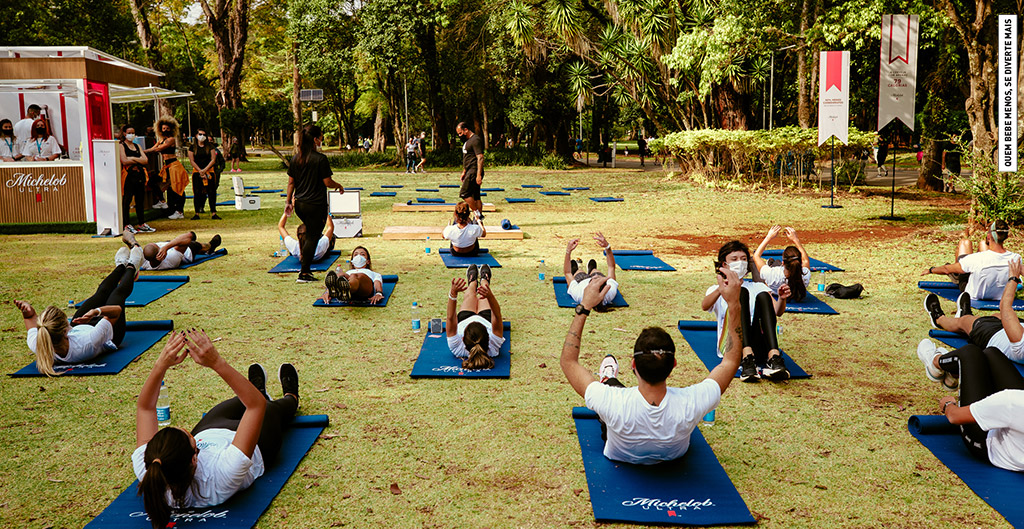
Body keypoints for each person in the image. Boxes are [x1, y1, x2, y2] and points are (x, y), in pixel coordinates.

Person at [559, 266, 745, 464]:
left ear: (633, 365)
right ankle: (609, 379)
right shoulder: (692, 402)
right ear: (674, 364)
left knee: (610, 388)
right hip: (673, 456)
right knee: (610, 397)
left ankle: (608, 378)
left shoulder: (611, 401)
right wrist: (734, 305)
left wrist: (584, 307)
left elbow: (568, 362)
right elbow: (731, 361)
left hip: (620, 450)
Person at [133, 328, 299, 529]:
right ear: (195, 458)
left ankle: (258, 390)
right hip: (254, 445)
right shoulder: (220, 477)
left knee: (243, 398)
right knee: (272, 408)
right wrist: (216, 362)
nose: (185, 428)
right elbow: (256, 407)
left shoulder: (150, 467)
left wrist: (161, 365)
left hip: (212, 429)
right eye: (189, 437)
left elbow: (145, 407)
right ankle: (291, 396)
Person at [13, 245, 144, 376]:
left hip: (81, 329)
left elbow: (29, 318)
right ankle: (132, 267)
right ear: (65, 330)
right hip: (110, 336)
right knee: (117, 294)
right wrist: (96, 311)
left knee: (101, 293)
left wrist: (27, 311)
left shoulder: (39, 344)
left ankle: (120, 266)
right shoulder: (88, 343)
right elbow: (116, 311)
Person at [918, 341, 1024, 471]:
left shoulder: (1011, 402)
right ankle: (953, 373)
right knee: (992, 353)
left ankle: (935, 363)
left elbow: (954, 416)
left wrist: (948, 404)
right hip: (1014, 424)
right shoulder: (1013, 402)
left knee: (969, 353)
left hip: (987, 444)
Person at [921, 259, 1024, 389]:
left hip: (993, 336)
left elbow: (1005, 307)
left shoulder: (1021, 342)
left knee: (966, 322)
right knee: (995, 316)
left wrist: (1013, 278)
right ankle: (952, 374)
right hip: (1008, 332)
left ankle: (939, 319)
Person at [702, 240, 790, 382]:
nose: (740, 263)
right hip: (732, 345)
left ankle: (773, 357)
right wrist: (722, 288)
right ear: (724, 265)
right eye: (734, 259)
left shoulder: (757, 286)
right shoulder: (716, 289)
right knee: (741, 292)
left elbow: (777, 312)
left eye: (743, 259)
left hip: (758, 346)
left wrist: (781, 298)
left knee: (762, 295)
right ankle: (746, 357)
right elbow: (705, 306)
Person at [284, 124, 345, 283]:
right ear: (315, 139)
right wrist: (338, 185)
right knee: (312, 237)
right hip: (315, 204)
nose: (322, 140)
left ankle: (305, 269)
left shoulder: (296, 158)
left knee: (311, 233)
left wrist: (288, 201)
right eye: (321, 137)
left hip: (300, 204)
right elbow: (327, 181)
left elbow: (291, 183)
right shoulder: (320, 159)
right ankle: (304, 273)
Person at [922, 221, 1019, 303]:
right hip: (1000, 296)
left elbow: (947, 269)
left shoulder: (977, 258)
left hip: (974, 293)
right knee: (982, 244)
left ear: (989, 236)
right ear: (1006, 236)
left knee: (965, 242)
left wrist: (931, 270)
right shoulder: (1016, 258)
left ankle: (957, 275)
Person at [445, 264, 504, 370]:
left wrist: (453, 294)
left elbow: (451, 318)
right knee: (483, 295)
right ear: (488, 336)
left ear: (462, 339)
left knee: (470, 295)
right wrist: (489, 296)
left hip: (465, 317)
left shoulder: (457, 349)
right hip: (486, 318)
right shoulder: (493, 347)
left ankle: (472, 282)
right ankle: (484, 280)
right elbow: (496, 315)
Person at [145, 117, 189, 220]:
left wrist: (144, 152)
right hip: (167, 166)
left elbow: (159, 149)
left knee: (177, 188)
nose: (165, 130)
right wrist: (142, 151)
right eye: (163, 128)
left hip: (174, 165)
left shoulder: (171, 140)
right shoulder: (161, 140)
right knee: (153, 181)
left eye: (167, 128)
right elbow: (153, 148)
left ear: (171, 129)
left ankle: (179, 211)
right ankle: (162, 201)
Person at [752, 225, 810, 302]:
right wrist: (796, 240)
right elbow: (805, 260)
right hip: (787, 288)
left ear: (783, 263)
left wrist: (768, 237)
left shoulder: (773, 274)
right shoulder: (805, 274)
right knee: (776, 264)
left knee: (752, 262)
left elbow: (756, 256)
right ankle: (772, 263)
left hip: (772, 287)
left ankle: (771, 263)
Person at [563, 233, 620, 310]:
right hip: (594, 284)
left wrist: (568, 251)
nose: (595, 277)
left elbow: (567, 273)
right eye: (599, 278)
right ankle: (592, 269)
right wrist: (607, 247)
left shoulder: (579, 294)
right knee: (596, 271)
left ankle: (577, 269)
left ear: (589, 286)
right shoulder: (610, 291)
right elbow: (611, 267)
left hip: (581, 281)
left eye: (594, 279)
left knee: (579, 272)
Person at [121, 230, 222, 271]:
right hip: (187, 251)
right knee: (198, 244)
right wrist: (167, 247)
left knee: (179, 240)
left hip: (171, 245)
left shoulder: (143, 260)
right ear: (160, 255)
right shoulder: (171, 259)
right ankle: (211, 246)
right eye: (158, 247)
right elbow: (189, 237)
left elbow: (125, 233)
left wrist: (133, 243)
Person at [119, 126, 155, 233]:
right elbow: (124, 161)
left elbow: (145, 160)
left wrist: (133, 159)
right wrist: (137, 160)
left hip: (139, 175)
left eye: (133, 132)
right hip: (128, 176)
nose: (131, 135)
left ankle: (141, 223)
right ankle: (126, 224)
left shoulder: (137, 146)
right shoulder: (121, 146)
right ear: (124, 133)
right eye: (129, 132)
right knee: (127, 199)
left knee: (140, 200)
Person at [321, 246, 386, 304]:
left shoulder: (373, 273)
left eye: (362, 254)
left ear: (368, 261)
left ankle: (346, 289)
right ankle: (335, 290)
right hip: (351, 288)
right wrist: (326, 293)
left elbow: (377, 283)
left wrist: (379, 293)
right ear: (352, 262)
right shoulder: (348, 272)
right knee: (340, 274)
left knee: (354, 276)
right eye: (356, 254)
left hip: (365, 289)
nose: (359, 256)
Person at [188, 128, 221, 220]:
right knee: (197, 192)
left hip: (209, 171)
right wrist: (200, 170)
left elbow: (213, 159)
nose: (202, 136)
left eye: (204, 135)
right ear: (196, 135)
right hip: (197, 172)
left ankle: (213, 212)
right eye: (200, 134)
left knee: (211, 192)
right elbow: (192, 160)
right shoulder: (192, 148)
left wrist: (205, 170)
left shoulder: (210, 147)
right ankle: (197, 213)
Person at [456, 122, 486, 221]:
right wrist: (464, 171)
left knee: (464, 193)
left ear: (466, 130)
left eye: (460, 133)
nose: (460, 136)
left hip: (474, 171)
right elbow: (468, 158)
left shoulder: (475, 140)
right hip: (469, 170)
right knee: (476, 196)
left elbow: (480, 157)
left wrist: (478, 175)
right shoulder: (468, 141)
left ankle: (477, 214)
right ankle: (478, 221)